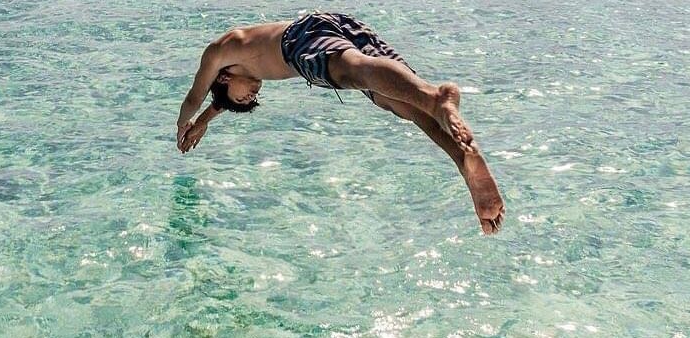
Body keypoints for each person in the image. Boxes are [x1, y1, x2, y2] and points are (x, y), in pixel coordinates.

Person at [175, 12, 506, 234]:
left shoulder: (218, 52)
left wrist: (185, 122)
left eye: (243, 98)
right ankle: (463, 160)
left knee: (354, 72)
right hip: (338, 24)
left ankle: (436, 97)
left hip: (300, 42)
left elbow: (195, 95)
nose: (252, 96)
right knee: (398, 103)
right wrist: (206, 120)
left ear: (222, 79)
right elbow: (219, 100)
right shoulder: (239, 67)